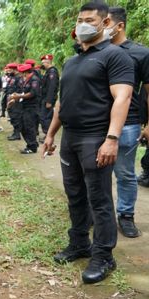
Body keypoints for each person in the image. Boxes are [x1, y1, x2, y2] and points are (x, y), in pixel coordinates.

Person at [42, 2, 134, 284]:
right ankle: (80, 242)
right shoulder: (72, 61)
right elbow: (62, 101)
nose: (83, 24)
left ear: (105, 23)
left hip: (96, 137)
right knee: (75, 195)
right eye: (80, 19)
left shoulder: (115, 56)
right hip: (70, 137)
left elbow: (123, 97)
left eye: (90, 20)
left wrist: (112, 138)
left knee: (99, 198)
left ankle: (104, 255)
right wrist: (50, 133)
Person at [106, 6, 149, 238]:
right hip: (97, 123)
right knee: (95, 173)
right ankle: (99, 214)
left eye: (107, 22)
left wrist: (148, 124)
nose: (101, 27)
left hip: (129, 123)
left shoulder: (140, 53)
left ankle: (126, 215)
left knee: (124, 173)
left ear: (119, 25)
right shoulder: (96, 50)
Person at [11, 63, 40, 154]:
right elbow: (24, 92)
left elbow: (33, 93)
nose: (22, 75)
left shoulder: (34, 80)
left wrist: (19, 96)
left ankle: (32, 147)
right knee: (23, 126)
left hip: (32, 107)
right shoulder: (27, 80)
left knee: (29, 126)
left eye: (22, 73)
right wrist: (17, 98)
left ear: (26, 72)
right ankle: (32, 143)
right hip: (25, 106)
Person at [39, 54, 59, 140]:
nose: (42, 64)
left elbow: (52, 87)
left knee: (45, 118)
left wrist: (49, 101)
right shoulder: (48, 71)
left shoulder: (52, 72)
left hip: (48, 99)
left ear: (48, 62)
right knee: (44, 117)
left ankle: (48, 135)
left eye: (43, 63)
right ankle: (47, 134)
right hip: (44, 97)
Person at [5, 63, 23, 141]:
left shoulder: (19, 78)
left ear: (14, 69)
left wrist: (15, 99)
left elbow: (20, 90)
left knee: (16, 116)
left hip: (15, 100)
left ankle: (17, 134)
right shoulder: (12, 77)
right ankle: (15, 132)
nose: (8, 71)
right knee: (12, 116)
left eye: (10, 69)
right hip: (10, 99)